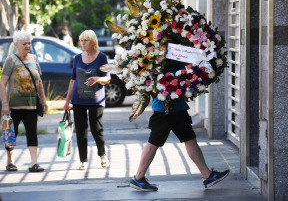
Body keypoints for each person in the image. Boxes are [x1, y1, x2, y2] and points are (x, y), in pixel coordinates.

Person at [129, 62, 230, 191]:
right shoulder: (161, 54)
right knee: (154, 141)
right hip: (163, 108)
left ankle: (207, 176)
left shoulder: (175, 51)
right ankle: (138, 178)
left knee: (189, 138)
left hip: (178, 107)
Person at [0, 30, 48, 172]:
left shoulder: (33, 58)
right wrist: (4, 103)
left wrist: (43, 100)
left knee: (32, 132)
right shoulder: (11, 60)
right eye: (24, 44)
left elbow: (39, 81)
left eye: (29, 43)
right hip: (13, 106)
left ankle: (34, 163)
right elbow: (2, 83)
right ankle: (10, 161)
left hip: (31, 105)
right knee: (10, 133)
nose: (27, 46)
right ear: (16, 45)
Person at [64, 30, 111, 170]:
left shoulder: (101, 57)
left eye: (86, 40)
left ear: (93, 42)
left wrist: (98, 79)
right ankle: (83, 160)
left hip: (96, 100)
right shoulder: (77, 58)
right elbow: (72, 80)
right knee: (81, 130)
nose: (83, 43)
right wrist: (67, 102)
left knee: (96, 128)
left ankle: (103, 155)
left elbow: (107, 78)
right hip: (78, 99)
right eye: (81, 40)